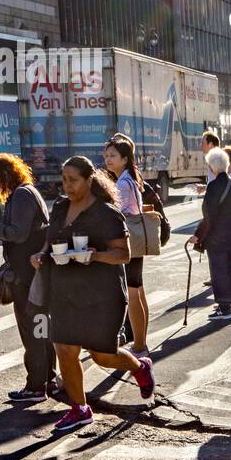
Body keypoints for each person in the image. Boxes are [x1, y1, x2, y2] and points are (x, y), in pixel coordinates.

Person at [30, 157, 154, 433]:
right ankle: (80, 408)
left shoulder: (106, 213)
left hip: (102, 296)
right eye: (64, 179)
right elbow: (51, 240)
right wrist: (42, 255)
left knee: (102, 357)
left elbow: (124, 254)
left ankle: (139, 367)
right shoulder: (61, 207)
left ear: (89, 180)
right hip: (64, 292)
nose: (67, 185)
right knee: (65, 349)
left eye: (73, 180)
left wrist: (94, 256)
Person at [0, 153, 56, 402]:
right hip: (34, 272)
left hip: (26, 274)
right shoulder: (28, 192)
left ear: (4, 175)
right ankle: (47, 379)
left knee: (32, 330)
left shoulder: (20, 195)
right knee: (41, 328)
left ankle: (36, 386)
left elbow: (17, 234)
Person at [104, 135, 154, 356]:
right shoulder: (129, 178)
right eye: (106, 155)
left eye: (113, 156)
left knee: (133, 294)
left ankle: (140, 345)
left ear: (124, 159)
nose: (108, 160)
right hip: (137, 240)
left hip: (130, 242)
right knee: (138, 291)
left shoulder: (123, 183)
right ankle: (141, 341)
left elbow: (120, 215)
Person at [189, 147, 231, 319]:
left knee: (219, 271)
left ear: (212, 167)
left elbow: (209, 216)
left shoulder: (213, 186)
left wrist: (198, 235)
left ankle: (224, 308)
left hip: (216, 237)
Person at [196, 130, 221, 194]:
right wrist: (205, 187)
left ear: (210, 145)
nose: (200, 145)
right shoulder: (216, 157)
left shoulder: (214, 159)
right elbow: (215, 182)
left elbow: (220, 183)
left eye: (202, 143)